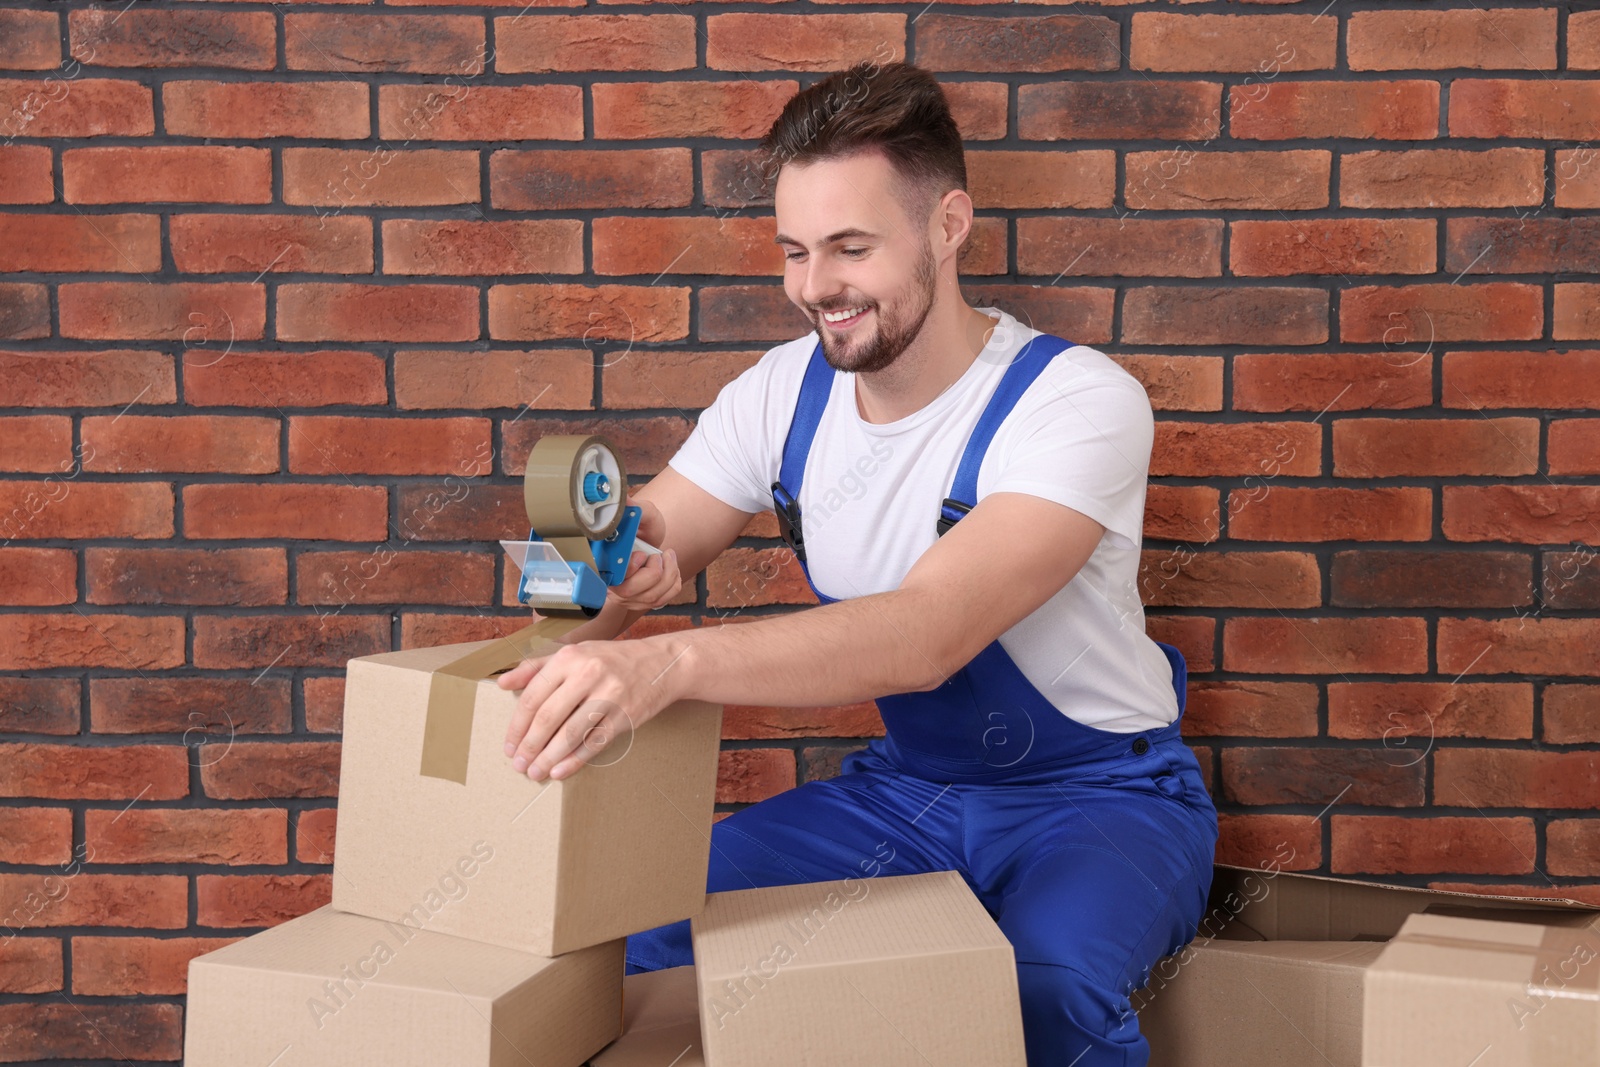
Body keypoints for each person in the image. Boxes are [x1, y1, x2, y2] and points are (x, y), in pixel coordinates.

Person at [496, 60, 1219, 1067]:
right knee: (647, 931)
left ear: (948, 225)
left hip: (1101, 798)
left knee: (1042, 987)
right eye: (793, 251)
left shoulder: (1077, 402)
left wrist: (666, 663)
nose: (813, 287)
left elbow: (930, 632)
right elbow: (642, 529)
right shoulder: (780, 394)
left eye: (849, 247)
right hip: (906, 794)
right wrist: (594, 573)